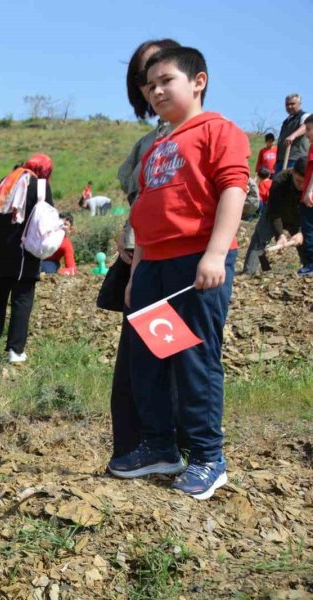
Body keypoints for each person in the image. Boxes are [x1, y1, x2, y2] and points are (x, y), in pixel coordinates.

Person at [109, 47, 250, 501]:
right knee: (151, 359)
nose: (156, 90)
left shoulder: (218, 130)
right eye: (150, 85)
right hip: (154, 265)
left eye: (166, 80)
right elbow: (148, 210)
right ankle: (160, 447)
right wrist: (137, 270)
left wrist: (215, 254)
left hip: (196, 263)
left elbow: (233, 188)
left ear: (198, 81)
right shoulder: (160, 144)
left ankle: (209, 457)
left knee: (195, 359)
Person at [106, 38, 180, 462]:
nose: (151, 87)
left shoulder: (198, 132)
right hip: (141, 263)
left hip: (174, 263)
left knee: (167, 358)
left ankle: (170, 448)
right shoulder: (148, 140)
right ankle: (138, 449)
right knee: (138, 362)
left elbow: (243, 198)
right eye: (142, 78)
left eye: (159, 74)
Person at [0, 153, 55, 364]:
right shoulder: (40, 186)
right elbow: (47, 217)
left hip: (1, 250)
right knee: (22, 300)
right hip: (25, 253)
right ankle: (15, 350)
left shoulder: (5, 182)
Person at [241, 159, 307, 274]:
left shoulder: (311, 183)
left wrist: (302, 232)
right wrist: (279, 234)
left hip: (299, 216)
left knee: (306, 242)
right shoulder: (279, 181)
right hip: (275, 212)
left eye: (304, 182)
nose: (301, 186)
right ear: (293, 173)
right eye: (298, 181)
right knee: (260, 241)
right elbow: (275, 212)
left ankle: (308, 268)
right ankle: (252, 271)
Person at [274, 94, 310, 174]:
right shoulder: (287, 120)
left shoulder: (304, 116)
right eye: (287, 104)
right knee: (278, 183)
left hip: (295, 158)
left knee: (290, 183)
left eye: (292, 104)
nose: (289, 106)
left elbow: (305, 126)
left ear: (299, 104)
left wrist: (293, 136)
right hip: (281, 159)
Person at [298, 115, 313, 275]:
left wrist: (309, 191)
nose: (306, 133)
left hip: (310, 198)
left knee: (309, 230)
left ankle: (311, 264)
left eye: (309, 129)